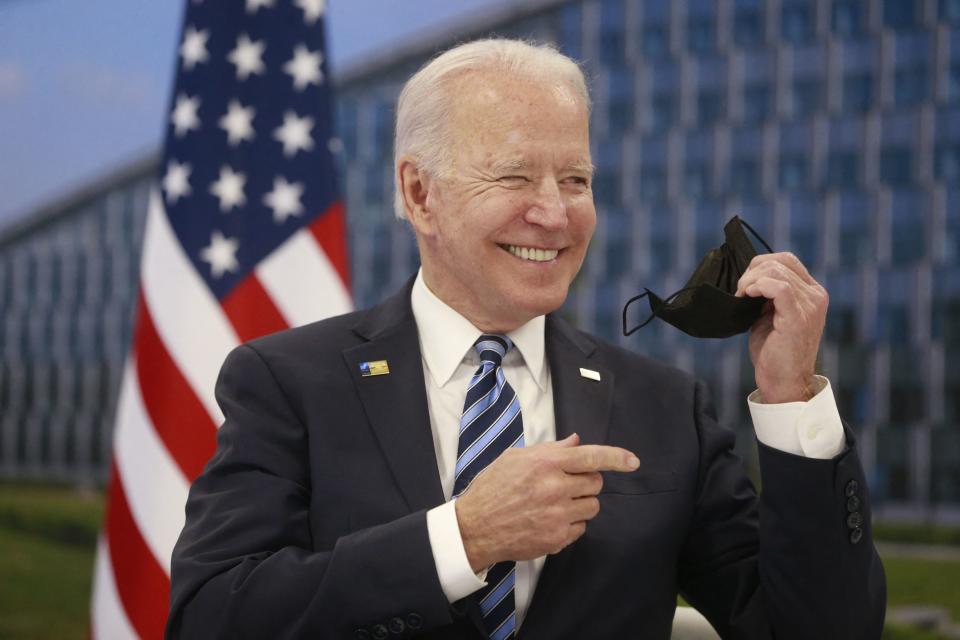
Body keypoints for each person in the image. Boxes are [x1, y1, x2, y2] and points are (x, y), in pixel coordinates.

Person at [167, 39, 885, 639]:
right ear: (420, 194)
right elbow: (209, 616)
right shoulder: (289, 379)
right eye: (515, 175)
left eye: (576, 179)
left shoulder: (666, 407)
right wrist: (463, 538)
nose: (554, 213)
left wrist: (791, 398)